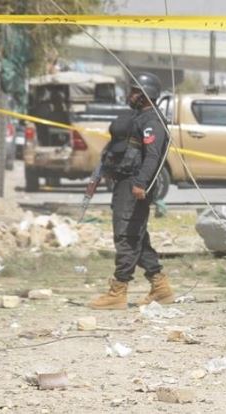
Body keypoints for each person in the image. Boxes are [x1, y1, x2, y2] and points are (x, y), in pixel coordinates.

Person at [89, 72, 174, 310]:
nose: (130, 95)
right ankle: (160, 286)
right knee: (137, 236)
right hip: (124, 182)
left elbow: (153, 156)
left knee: (126, 236)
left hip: (134, 185)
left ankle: (118, 290)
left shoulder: (152, 122)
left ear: (147, 95)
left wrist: (140, 183)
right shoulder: (138, 118)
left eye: (135, 92)